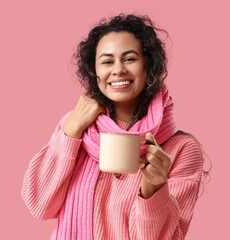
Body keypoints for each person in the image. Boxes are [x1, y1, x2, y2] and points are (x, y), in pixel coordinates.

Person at [21, 14, 206, 240]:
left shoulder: (180, 150)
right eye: (107, 61)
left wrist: (153, 190)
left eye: (129, 59)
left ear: (148, 66)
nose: (118, 70)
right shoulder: (78, 128)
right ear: (95, 73)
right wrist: (73, 127)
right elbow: (40, 204)